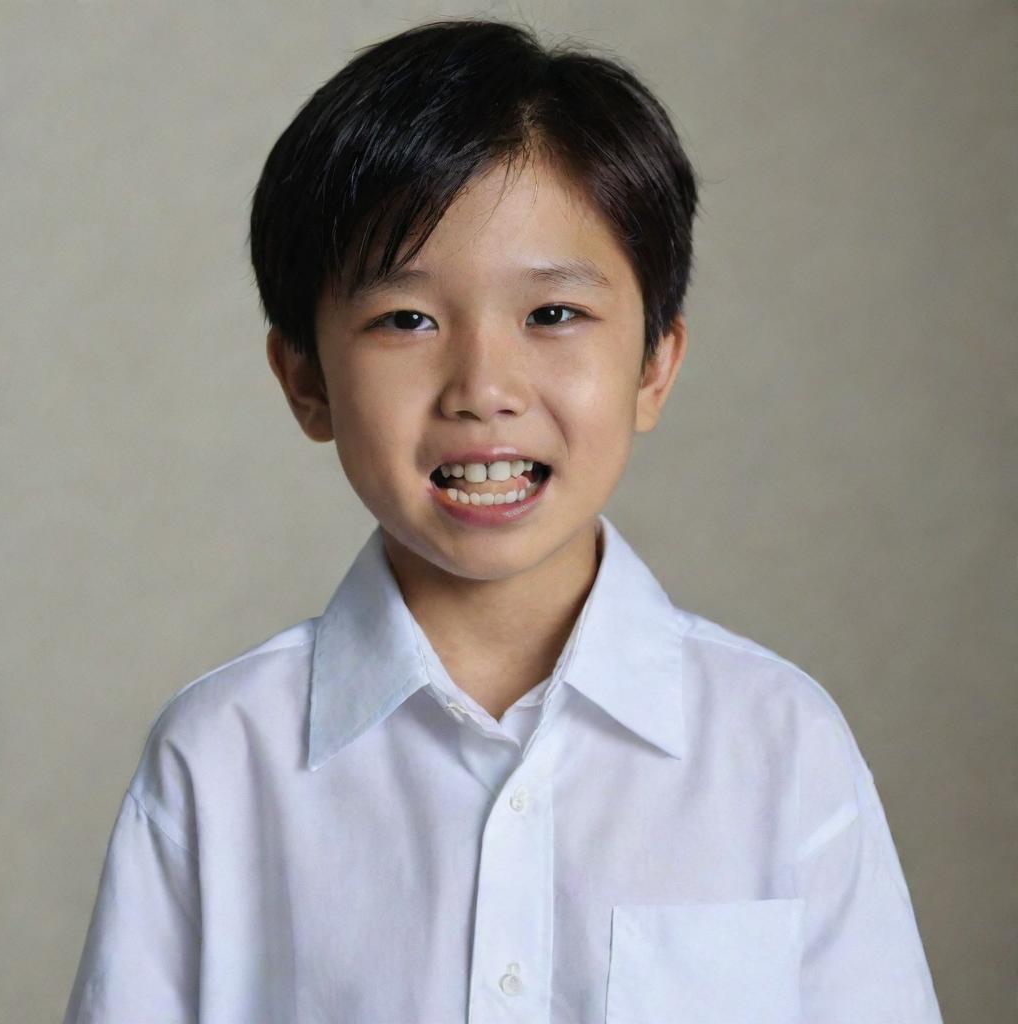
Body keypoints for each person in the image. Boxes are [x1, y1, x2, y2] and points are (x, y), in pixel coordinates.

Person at [63, 17, 944, 1023]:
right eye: (407, 319)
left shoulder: (779, 745)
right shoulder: (220, 760)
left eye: (552, 315)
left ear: (655, 362)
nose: (482, 388)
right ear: (304, 378)